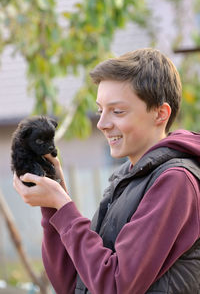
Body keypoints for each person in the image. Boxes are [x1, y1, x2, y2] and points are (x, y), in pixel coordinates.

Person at [13, 48, 200, 294]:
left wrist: (63, 205)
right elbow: (71, 283)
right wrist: (53, 203)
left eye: (118, 111)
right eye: (101, 110)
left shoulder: (176, 182)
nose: (102, 124)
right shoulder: (126, 178)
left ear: (160, 114)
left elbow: (114, 285)